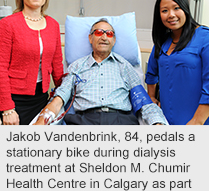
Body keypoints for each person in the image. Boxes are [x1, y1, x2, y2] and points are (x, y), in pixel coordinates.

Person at [33, 18, 168, 125]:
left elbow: (144, 102)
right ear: (90, 38)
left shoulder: (125, 66)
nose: (104, 37)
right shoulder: (77, 66)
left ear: (113, 40)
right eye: (98, 33)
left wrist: (158, 123)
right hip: (84, 122)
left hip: (121, 122)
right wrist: (41, 120)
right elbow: (59, 98)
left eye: (109, 34)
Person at [0, 0, 63, 125]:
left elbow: (57, 66)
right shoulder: (8, 24)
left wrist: (63, 95)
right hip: (14, 100)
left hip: (42, 99)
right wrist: (7, 108)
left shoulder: (53, 25)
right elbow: (0, 67)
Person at [145, 0, 209, 125]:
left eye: (176, 8)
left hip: (197, 121)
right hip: (166, 120)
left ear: (185, 9)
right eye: (164, 11)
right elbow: (151, 73)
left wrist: (197, 121)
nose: (171, 15)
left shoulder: (204, 37)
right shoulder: (162, 42)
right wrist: (151, 96)